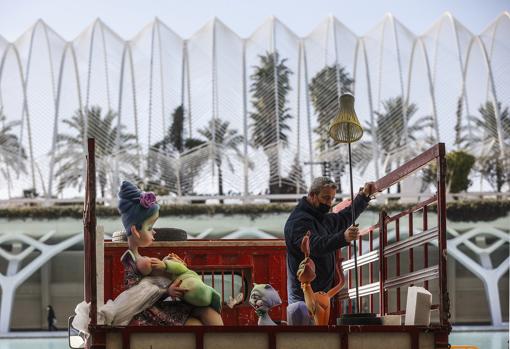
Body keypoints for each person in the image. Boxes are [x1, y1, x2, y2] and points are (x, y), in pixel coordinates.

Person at [115, 181, 224, 326]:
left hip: (157, 307)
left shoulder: (142, 260)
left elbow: (159, 277)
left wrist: (169, 264)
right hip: (149, 313)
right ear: (135, 231)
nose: (154, 232)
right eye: (149, 227)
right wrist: (168, 291)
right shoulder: (140, 262)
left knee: (207, 311)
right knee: (195, 325)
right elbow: (141, 294)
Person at [284, 176, 376, 325]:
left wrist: (363, 197)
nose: (329, 203)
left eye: (332, 198)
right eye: (326, 198)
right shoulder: (298, 222)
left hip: (321, 296)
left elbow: (343, 218)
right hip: (303, 301)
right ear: (312, 195)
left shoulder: (321, 218)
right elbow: (314, 246)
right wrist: (343, 238)